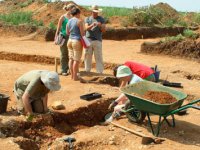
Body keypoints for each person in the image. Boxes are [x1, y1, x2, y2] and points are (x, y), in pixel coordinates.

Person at [54, 3, 76, 76]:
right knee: (64, 53)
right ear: (69, 9)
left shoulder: (74, 17)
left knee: (71, 54)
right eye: (73, 8)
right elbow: (58, 28)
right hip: (64, 37)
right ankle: (63, 69)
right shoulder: (63, 17)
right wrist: (56, 37)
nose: (74, 10)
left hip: (72, 37)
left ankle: (71, 70)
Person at [84, 5, 106, 74]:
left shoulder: (102, 19)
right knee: (87, 56)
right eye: (94, 12)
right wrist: (92, 25)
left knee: (98, 56)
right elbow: (86, 28)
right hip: (88, 39)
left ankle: (99, 72)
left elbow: (103, 30)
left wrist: (100, 26)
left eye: (96, 12)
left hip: (97, 40)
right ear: (92, 11)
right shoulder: (87, 19)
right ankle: (87, 70)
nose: (95, 13)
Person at [67, 8, 85, 81]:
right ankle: (75, 77)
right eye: (79, 13)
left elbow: (67, 32)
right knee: (76, 60)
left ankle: (72, 75)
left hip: (70, 40)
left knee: (71, 58)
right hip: (76, 41)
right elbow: (82, 33)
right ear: (77, 13)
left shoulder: (69, 21)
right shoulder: (79, 21)